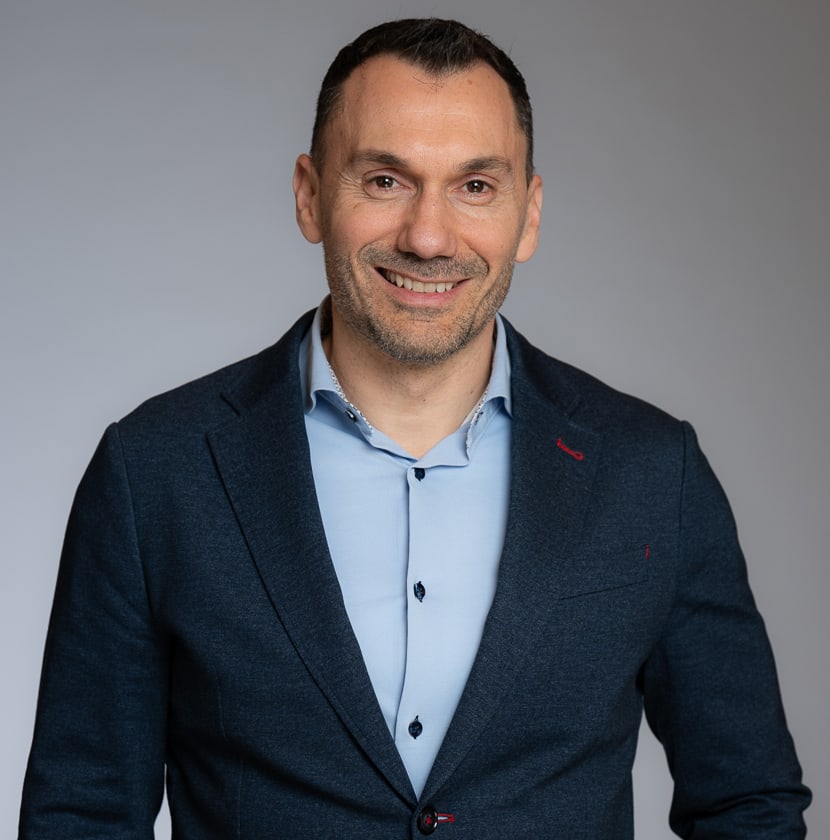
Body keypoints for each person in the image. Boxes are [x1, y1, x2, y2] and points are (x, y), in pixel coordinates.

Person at [19, 17, 810, 839]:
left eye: (476, 186)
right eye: (385, 180)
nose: (428, 237)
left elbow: (747, 806)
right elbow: (80, 815)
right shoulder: (155, 472)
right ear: (310, 195)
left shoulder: (651, 473)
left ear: (529, 214)